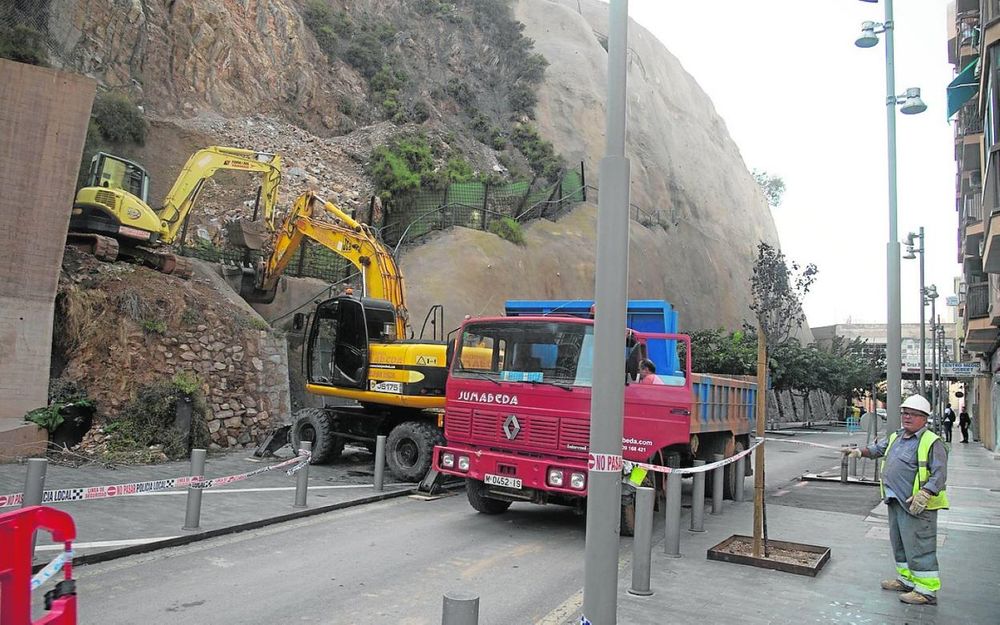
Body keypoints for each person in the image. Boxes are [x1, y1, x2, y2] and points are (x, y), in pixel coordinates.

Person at [842, 394, 948, 605]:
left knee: (919, 545)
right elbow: (878, 450)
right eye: (904, 413)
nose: (907, 417)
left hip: (917, 505)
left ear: (924, 418)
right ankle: (907, 580)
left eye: (913, 414)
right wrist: (858, 452)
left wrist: (925, 493)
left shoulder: (932, 442)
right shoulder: (897, 437)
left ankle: (926, 591)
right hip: (895, 500)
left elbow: (939, 474)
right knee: (900, 544)